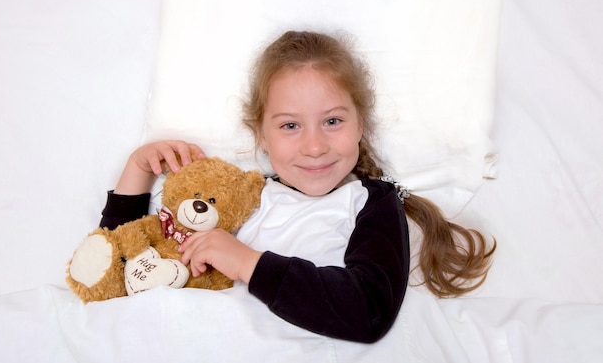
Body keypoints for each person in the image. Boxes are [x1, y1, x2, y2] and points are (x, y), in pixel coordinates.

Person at [99, 30, 495, 343]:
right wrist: (138, 169)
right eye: (290, 125)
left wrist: (246, 261)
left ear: (360, 123)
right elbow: (123, 264)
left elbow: (368, 310)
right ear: (262, 136)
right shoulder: (244, 195)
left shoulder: (369, 202)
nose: (315, 146)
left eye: (333, 121)